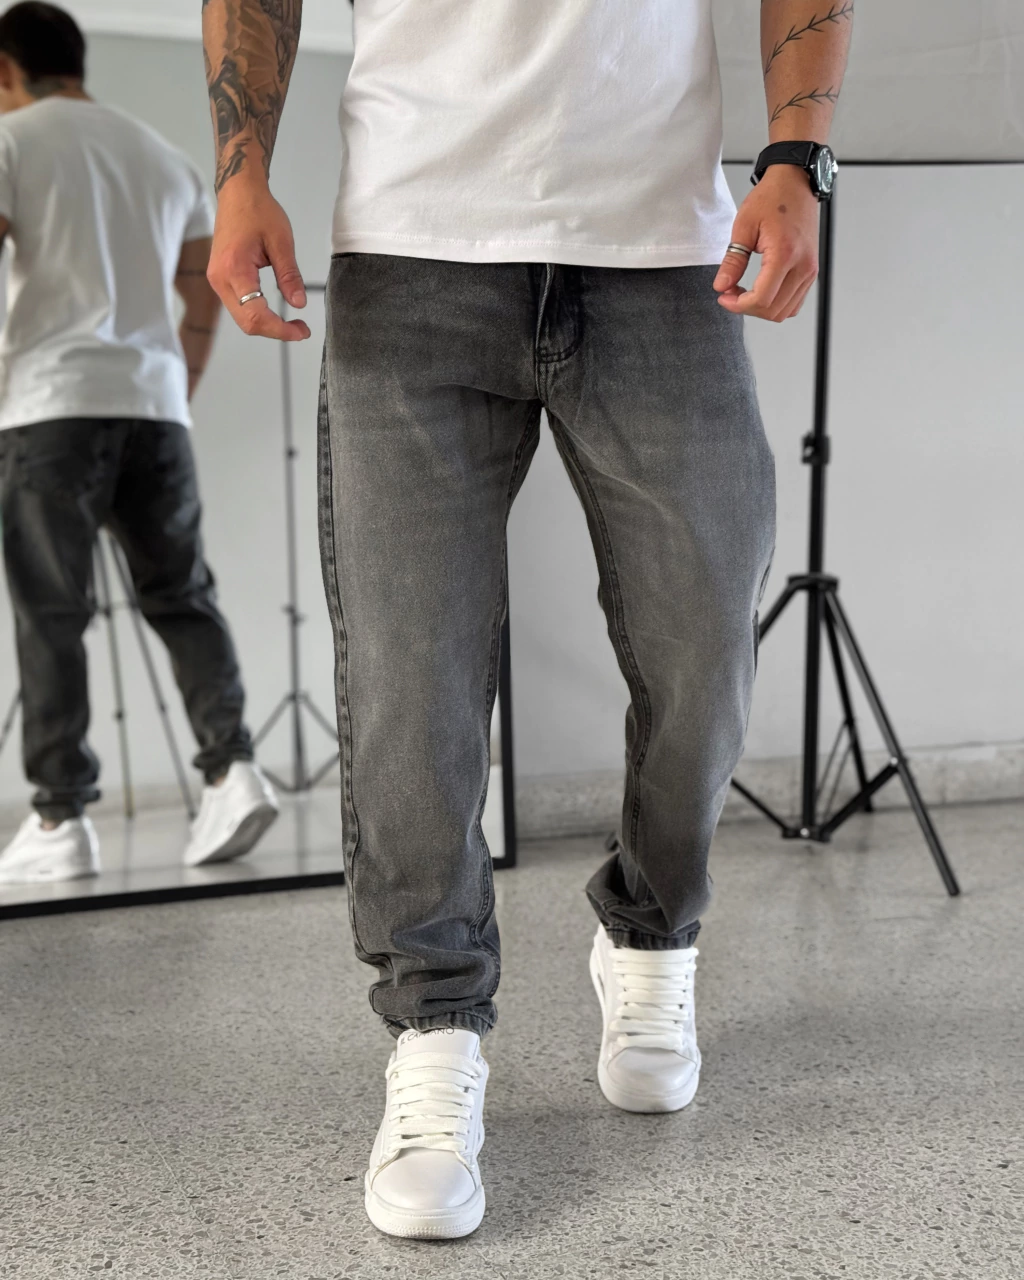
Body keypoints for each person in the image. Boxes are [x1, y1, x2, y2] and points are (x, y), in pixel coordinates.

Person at [203, 0, 853, 1239]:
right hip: (412, 243)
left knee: (707, 633)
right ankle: (434, 1027)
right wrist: (241, 174)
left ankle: (650, 932)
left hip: (660, 244)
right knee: (410, 675)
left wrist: (797, 154)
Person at [0, 2, 279, 886]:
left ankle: (60, 816)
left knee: (52, 612)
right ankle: (233, 772)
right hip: (154, 408)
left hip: (49, 406)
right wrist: (175, 379)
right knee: (182, 594)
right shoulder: (162, 157)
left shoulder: (9, 143)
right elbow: (201, 289)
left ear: (5, 68)